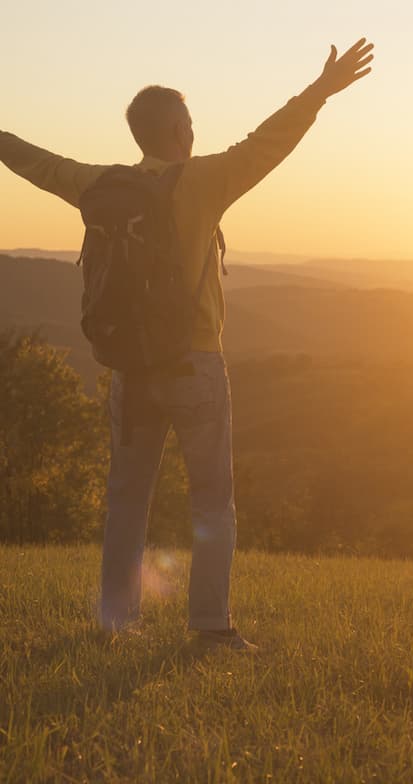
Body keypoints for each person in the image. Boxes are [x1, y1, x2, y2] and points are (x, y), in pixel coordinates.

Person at [0, 38, 374, 651]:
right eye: (191, 123)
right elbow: (267, 142)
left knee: (127, 496)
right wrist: (319, 92)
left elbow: (37, 162)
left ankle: (116, 622)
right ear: (178, 129)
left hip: (130, 364)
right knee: (212, 501)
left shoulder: (99, 185)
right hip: (194, 363)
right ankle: (210, 628)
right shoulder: (202, 181)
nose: (194, 132)